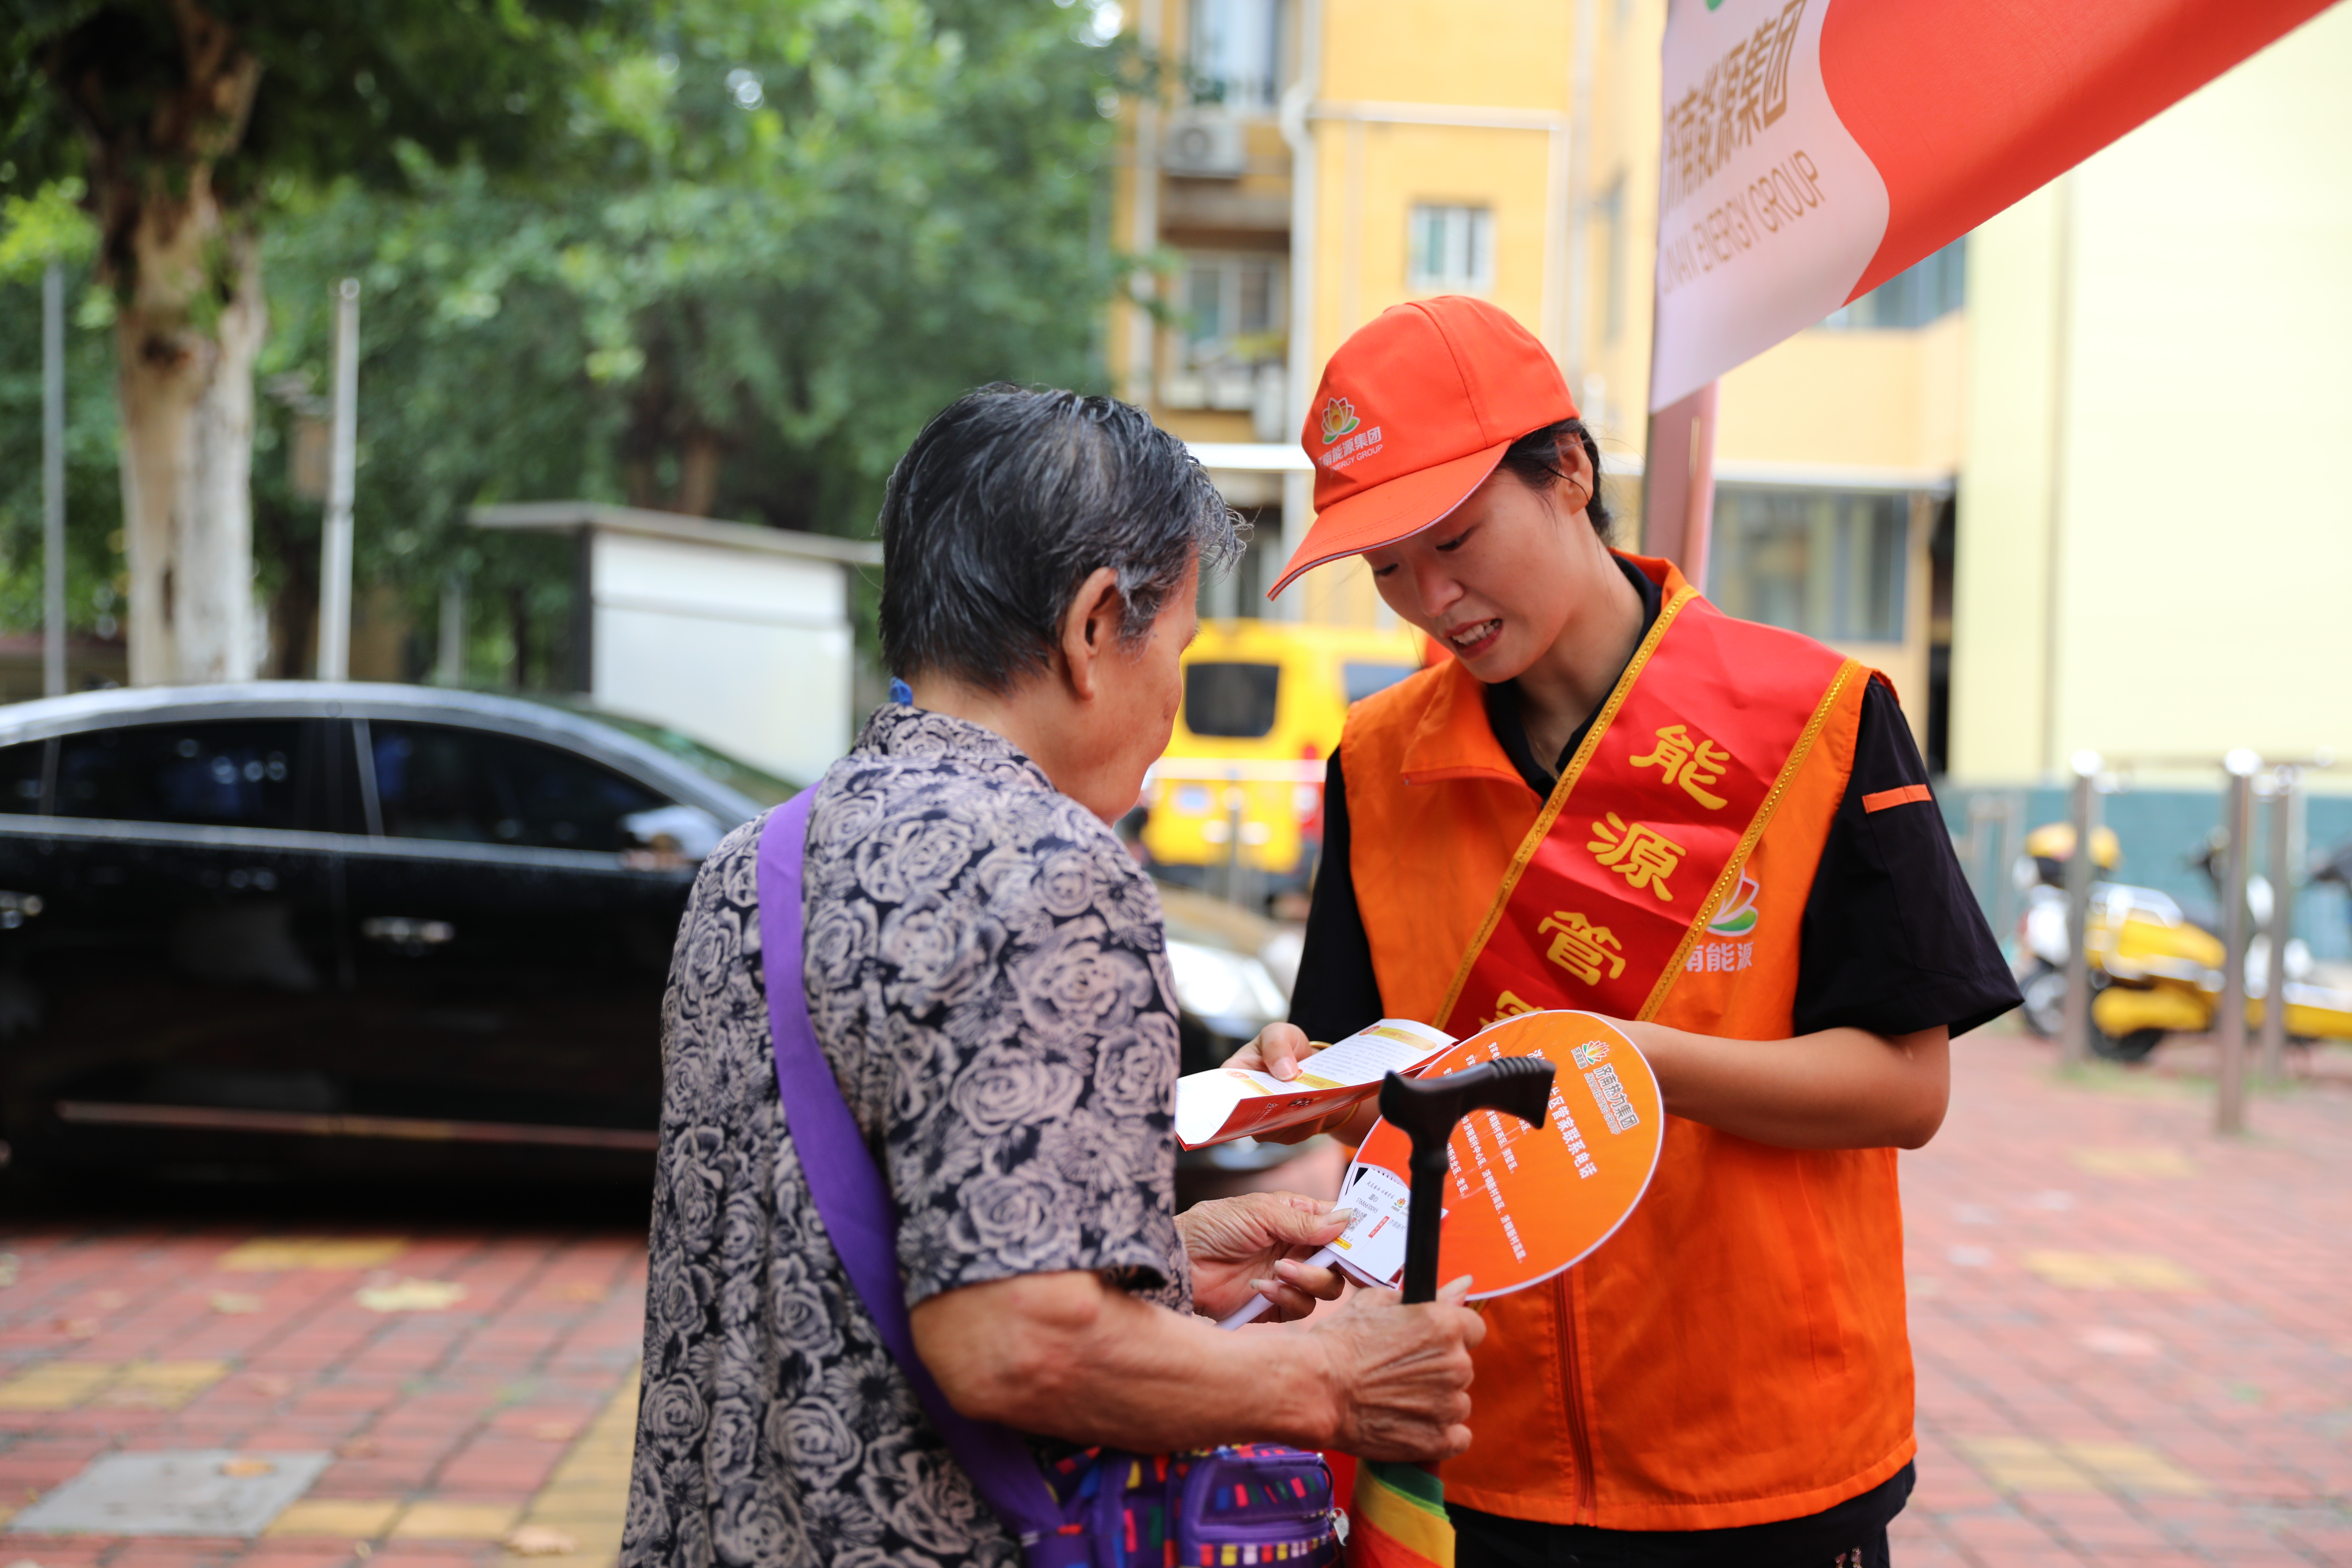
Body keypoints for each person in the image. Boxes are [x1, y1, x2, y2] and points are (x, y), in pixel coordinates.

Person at [621, 385, 1486, 1568]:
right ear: (1094, 627)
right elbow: (1015, 1345)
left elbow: (872, 1254)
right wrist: (1328, 1377)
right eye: (1178, 649)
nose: (1175, 700)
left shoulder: (753, 864)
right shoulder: (1054, 871)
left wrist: (1164, 1263)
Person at [1232, 299, 2021, 1567]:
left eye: (1456, 540)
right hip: (1474, 1441)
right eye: (1387, 569)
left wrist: (1620, 1063)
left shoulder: (1817, 721)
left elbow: (1905, 1089)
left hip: (1765, 1452)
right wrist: (1302, 1082)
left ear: (1570, 472)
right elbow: (1376, 1086)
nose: (1434, 600)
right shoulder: (1377, 764)